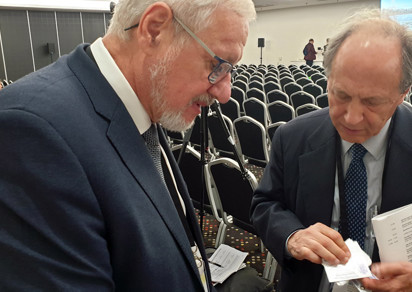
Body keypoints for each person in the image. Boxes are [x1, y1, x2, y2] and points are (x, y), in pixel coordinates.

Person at [0, 0, 257, 291]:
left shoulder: (143, 104)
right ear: (155, 29)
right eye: (217, 65)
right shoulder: (31, 132)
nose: (225, 93)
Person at [251, 9, 412, 292]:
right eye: (341, 94)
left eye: (372, 102)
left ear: (403, 94)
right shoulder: (293, 137)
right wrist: (293, 236)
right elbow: (265, 205)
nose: (351, 118)